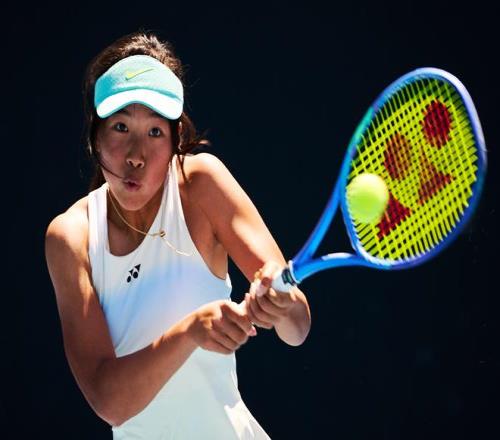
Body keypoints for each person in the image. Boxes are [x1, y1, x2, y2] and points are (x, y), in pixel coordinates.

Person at [45, 31, 311, 439]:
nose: (136, 155)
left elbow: (298, 327)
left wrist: (282, 305)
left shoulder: (201, 184)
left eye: (155, 132)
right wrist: (191, 331)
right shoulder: (71, 236)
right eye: (121, 127)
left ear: (175, 141)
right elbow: (109, 402)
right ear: (95, 137)